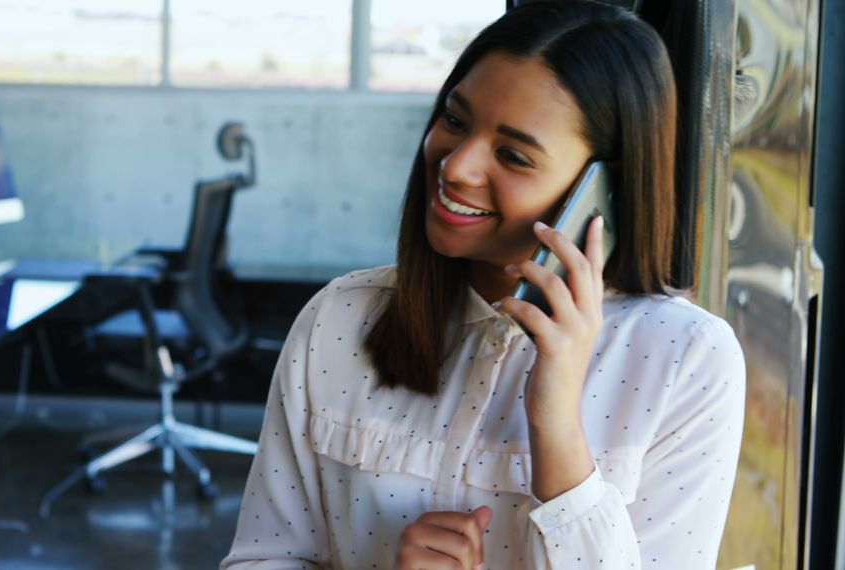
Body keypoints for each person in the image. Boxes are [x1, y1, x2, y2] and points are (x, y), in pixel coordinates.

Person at [220, 1, 745, 568]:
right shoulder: (342, 316)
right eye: (455, 120)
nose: (456, 166)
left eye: (513, 155)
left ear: (602, 190)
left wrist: (557, 424)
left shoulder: (685, 359)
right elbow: (262, 557)